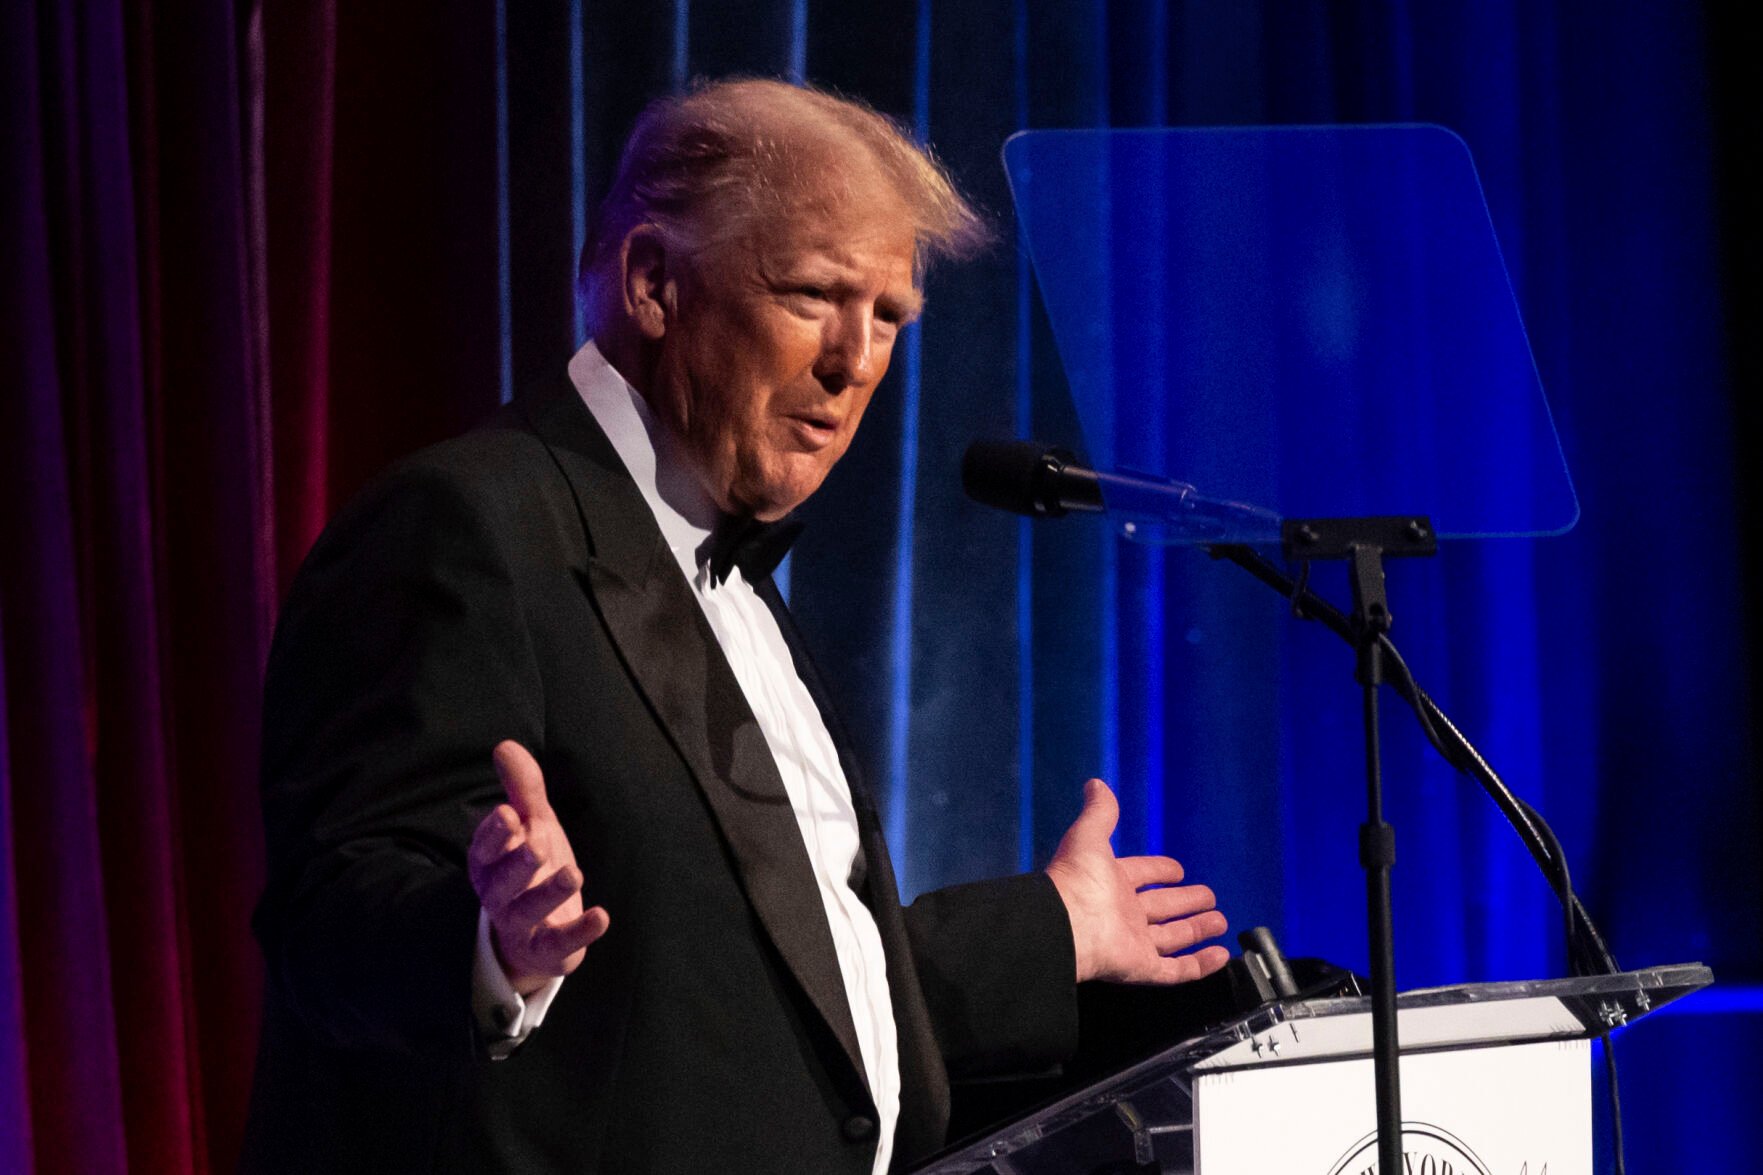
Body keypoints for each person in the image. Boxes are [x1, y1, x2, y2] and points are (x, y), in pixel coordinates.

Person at [242, 78, 1229, 1174]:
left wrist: (1054, 927)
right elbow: (329, 925)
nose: (855, 362)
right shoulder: (465, 526)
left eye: (889, 317)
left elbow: (763, 995)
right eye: (812, 293)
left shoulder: (726, 570)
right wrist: (486, 939)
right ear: (653, 283)